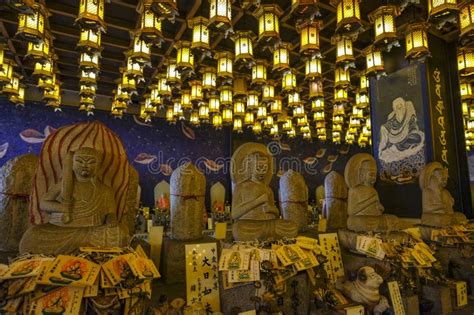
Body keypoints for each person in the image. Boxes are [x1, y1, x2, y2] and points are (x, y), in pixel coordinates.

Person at [379, 97, 424, 163]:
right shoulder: (392, 118)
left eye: (401, 105)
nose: (400, 108)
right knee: (393, 142)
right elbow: (387, 126)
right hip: (396, 139)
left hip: (407, 137)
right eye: (397, 106)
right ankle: (397, 146)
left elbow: (413, 126)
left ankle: (402, 145)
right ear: (395, 109)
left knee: (417, 138)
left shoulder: (409, 115)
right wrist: (384, 128)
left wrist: (413, 132)